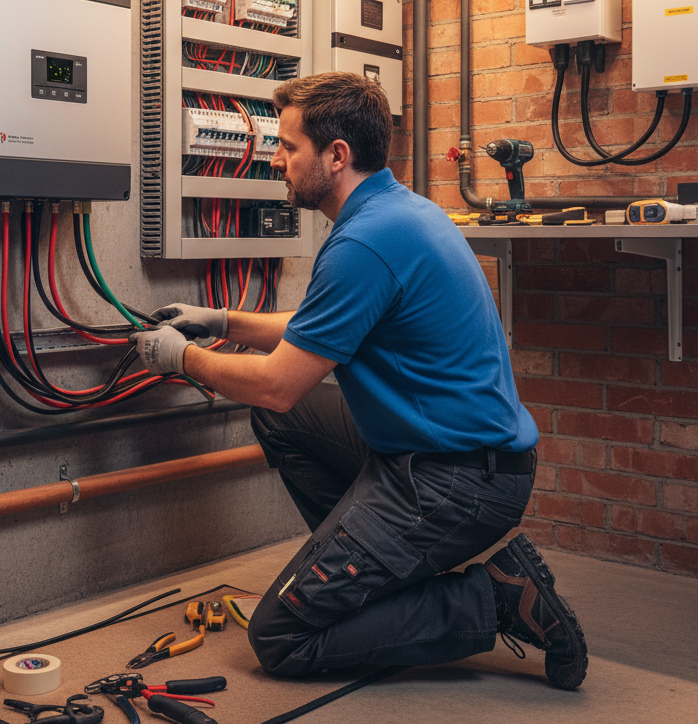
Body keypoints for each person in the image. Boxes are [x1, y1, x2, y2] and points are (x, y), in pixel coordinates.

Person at [131, 71, 587, 690]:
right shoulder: (395, 212)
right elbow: (325, 325)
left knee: (282, 639)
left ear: (336, 155)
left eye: (288, 147)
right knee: (285, 422)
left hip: (458, 481)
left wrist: (179, 357)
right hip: (441, 454)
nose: (276, 160)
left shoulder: (364, 242)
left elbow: (275, 384)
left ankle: (496, 599)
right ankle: (369, 570)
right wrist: (221, 319)